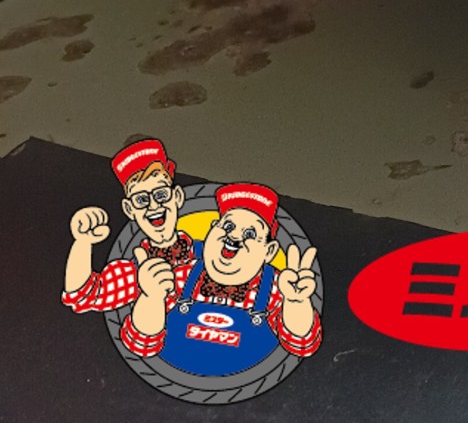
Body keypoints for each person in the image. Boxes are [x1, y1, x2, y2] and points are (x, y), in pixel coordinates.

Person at [124, 181, 321, 377]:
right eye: (227, 226)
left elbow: (301, 344)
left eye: (250, 234)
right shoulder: (179, 276)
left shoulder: (277, 287)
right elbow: (141, 344)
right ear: (211, 230)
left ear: (269, 251)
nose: (233, 238)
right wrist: (151, 298)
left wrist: (296, 303)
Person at [63, 136, 188, 315]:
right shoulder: (134, 272)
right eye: (141, 199)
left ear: (177, 197)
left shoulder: (209, 255)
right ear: (130, 210)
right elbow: (82, 296)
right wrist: (82, 243)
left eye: (161, 194)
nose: (153, 206)